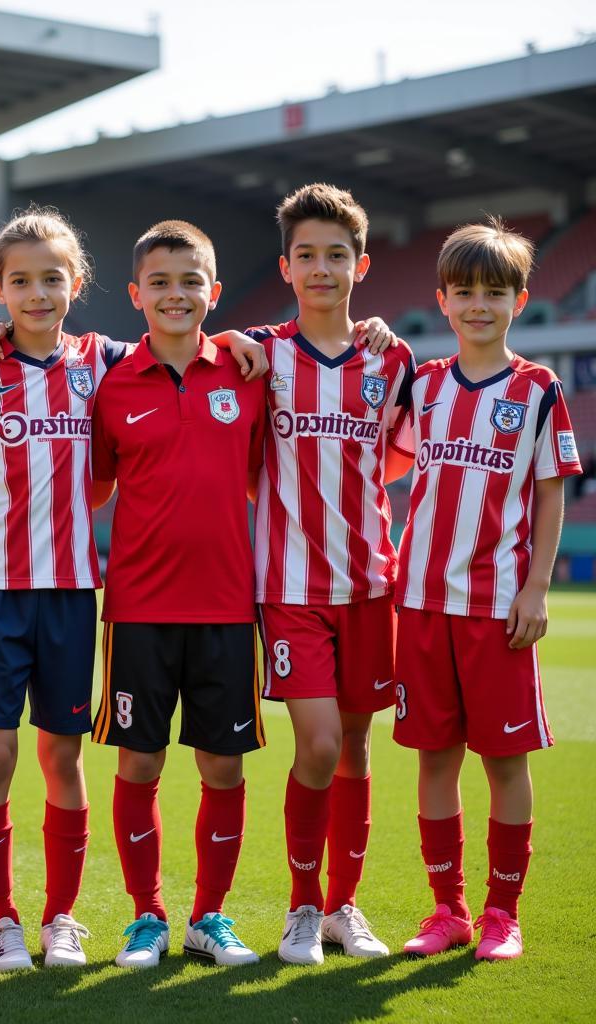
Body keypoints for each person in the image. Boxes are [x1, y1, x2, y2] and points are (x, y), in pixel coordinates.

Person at [0, 206, 266, 970]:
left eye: (52, 278)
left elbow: (177, 332)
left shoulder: (105, 359)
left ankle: (61, 919)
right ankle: (1, 919)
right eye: (21, 280)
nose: (38, 292)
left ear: (78, 284)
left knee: (64, 756)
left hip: (75, 593)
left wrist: (248, 339)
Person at [388, 217, 580, 961]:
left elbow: (552, 493)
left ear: (519, 300)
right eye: (464, 291)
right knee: (434, 759)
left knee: (505, 762)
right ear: (440, 299)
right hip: (422, 605)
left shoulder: (537, 389)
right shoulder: (425, 386)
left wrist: (535, 590)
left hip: (496, 609)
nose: (478, 304)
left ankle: (503, 914)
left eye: (493, 292)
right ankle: (448, 911)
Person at [91, 220, 266, 969]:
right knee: (139, 764)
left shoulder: (249, 372)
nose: (176, 294)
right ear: (135, 295)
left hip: (228, 607)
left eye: (191, 281)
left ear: (214, 292)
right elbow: (92, 485)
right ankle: (147, 917)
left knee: (222, 768)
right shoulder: (110, 384)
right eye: (159, 282)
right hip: (138, 610)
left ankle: (210, 917)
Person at [246, 183, 412, 965]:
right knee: (315, 746)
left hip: (370, 585)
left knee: (355, 746)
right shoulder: (258, 352)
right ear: (286, 267)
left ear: (361, 264)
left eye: (335, 255)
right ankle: (302, 908)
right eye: (307, 255)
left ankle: (345, 906)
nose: (321, 268)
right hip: (291, 590)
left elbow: (401, 458)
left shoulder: (391, 357)